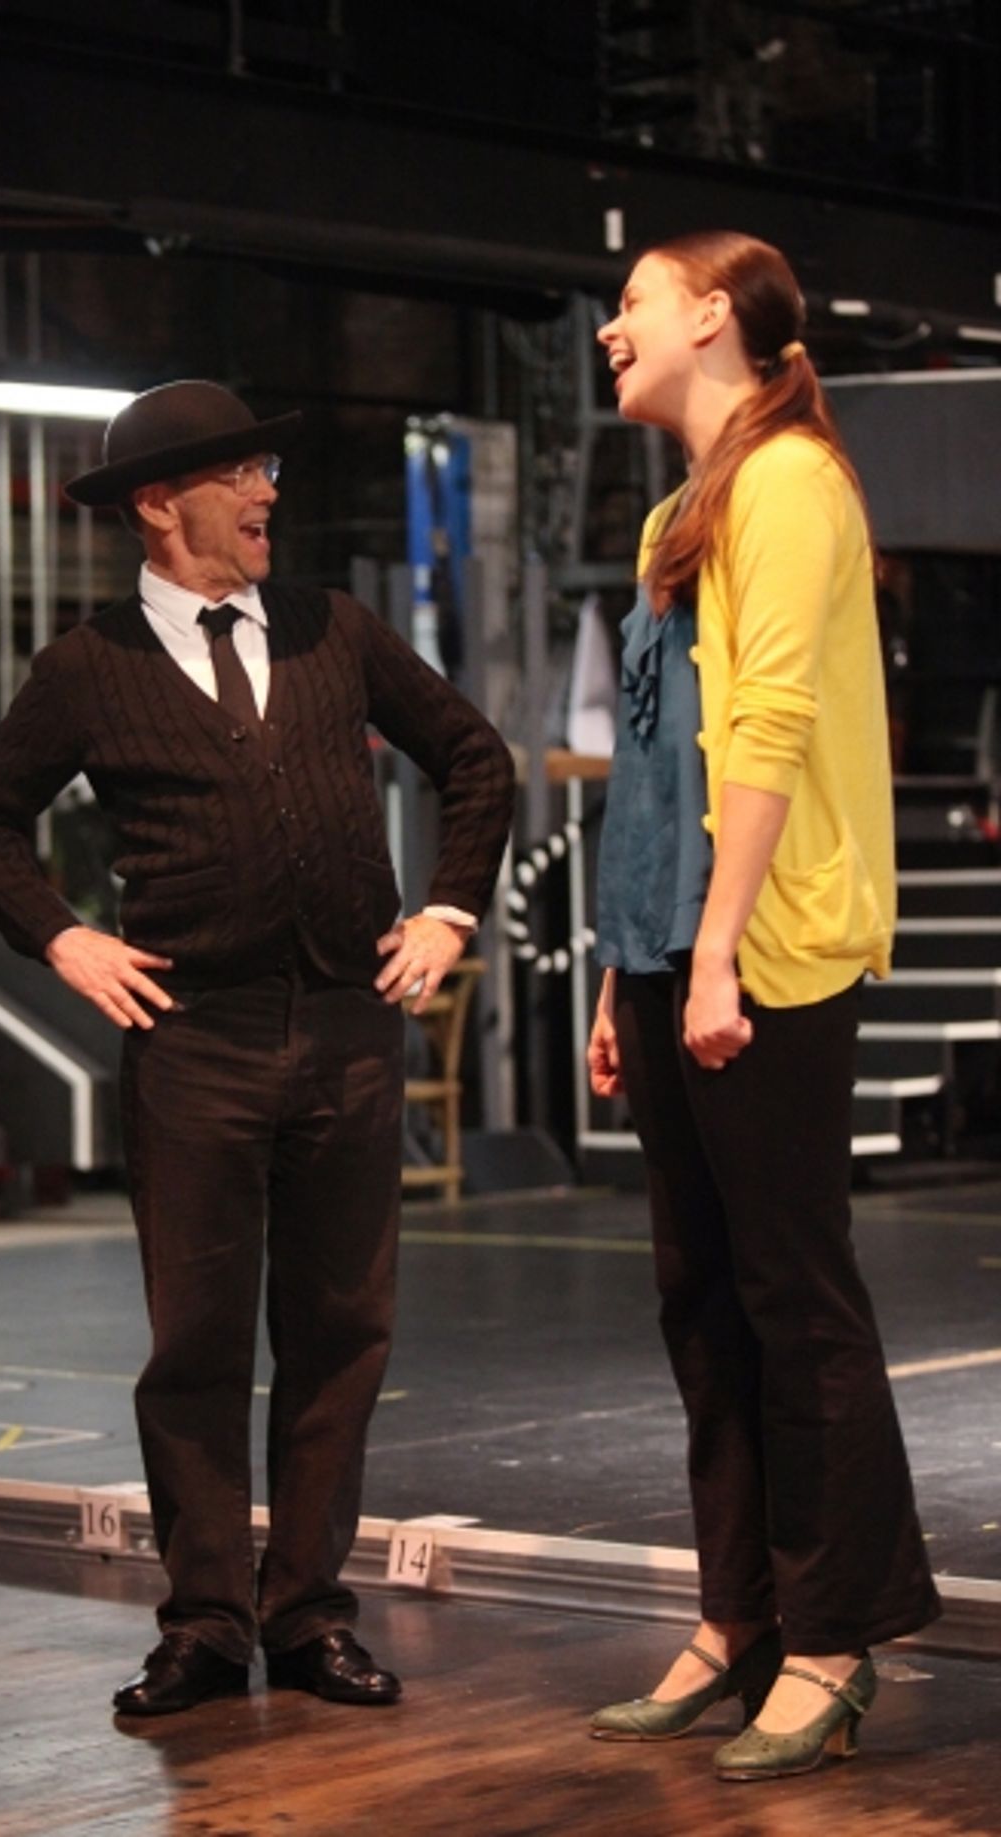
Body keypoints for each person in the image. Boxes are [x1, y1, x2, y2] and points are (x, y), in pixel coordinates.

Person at [0, 380, 513, 1718]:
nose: (268, 493)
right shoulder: (90, 664)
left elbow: (475, 760)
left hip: (350, 1034)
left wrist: (446, 907)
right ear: (160, 503)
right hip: (196, 1041)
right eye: (241, 474)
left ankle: (306, 1610)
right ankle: (205, 1622)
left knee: (339, 1332)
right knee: (196, 1342)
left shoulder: (332, 627)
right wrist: (63, 939)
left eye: (267, 466)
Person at [584, 233, 940, 1781]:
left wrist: (721, 948)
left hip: (760, 950)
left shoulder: (793, 479)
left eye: (635, 300)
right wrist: (625, 962)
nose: (611, 327)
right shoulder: (679, 504)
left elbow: (772, 726)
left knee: (797, 1299)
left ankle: (836, 1632)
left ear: (712, 315)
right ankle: (738, 1614)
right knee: (701, 1298)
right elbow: (659, 760)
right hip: (668, 948)